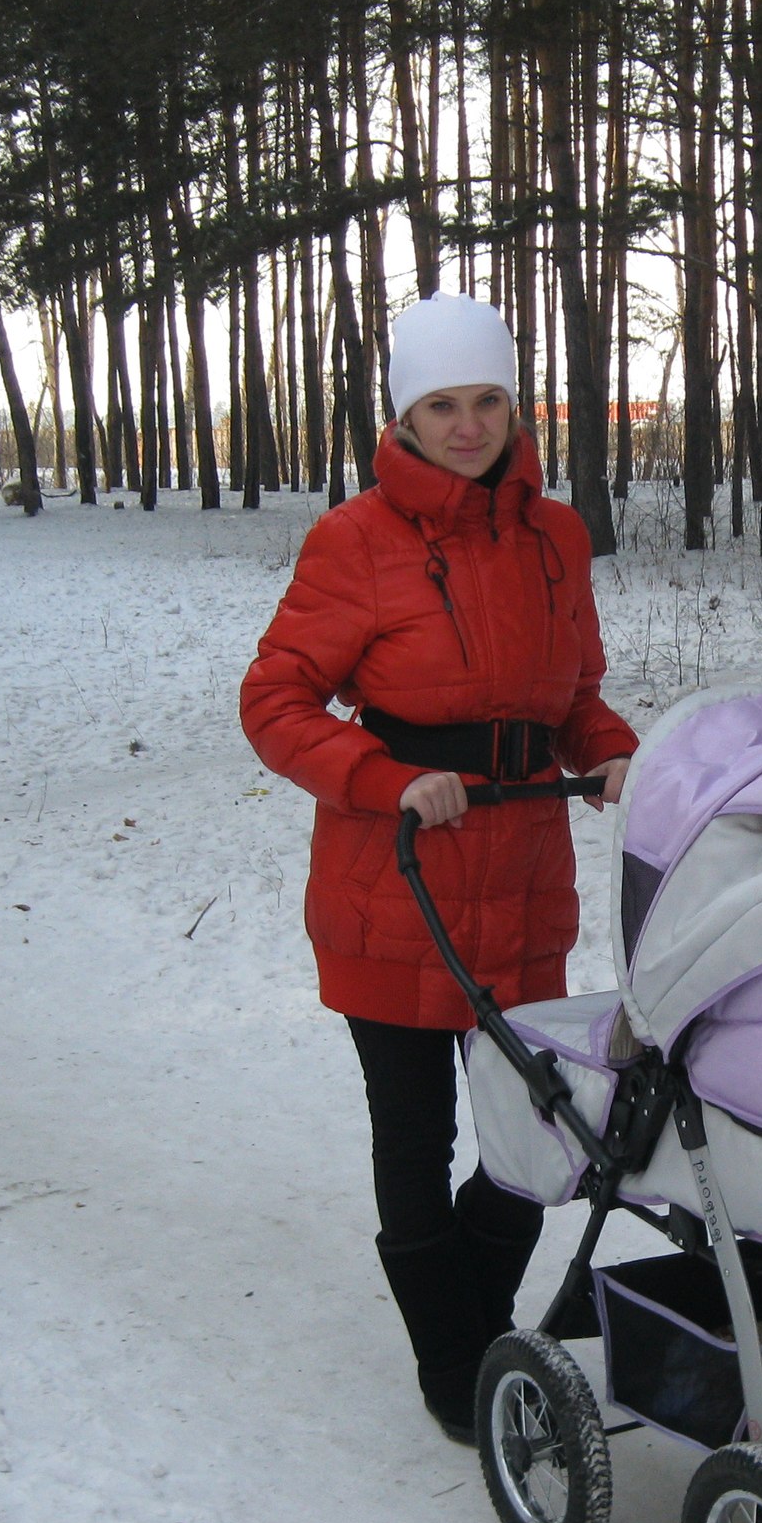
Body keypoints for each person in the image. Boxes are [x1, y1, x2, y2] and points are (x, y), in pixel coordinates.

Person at [240, 293, 637, 1444]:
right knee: (414, 1138)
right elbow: (273, 703)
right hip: (397, 880)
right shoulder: (355, 541)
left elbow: (574, 695)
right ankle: (452, 1357)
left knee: (535, 1131)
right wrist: (381, 776)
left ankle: (476, 1321)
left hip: (522, 883)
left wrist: (610, 752)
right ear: (405, 420)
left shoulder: (556, 537)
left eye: (487, 401)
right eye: (442, 406)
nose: (468, 426)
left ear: (515, 405)